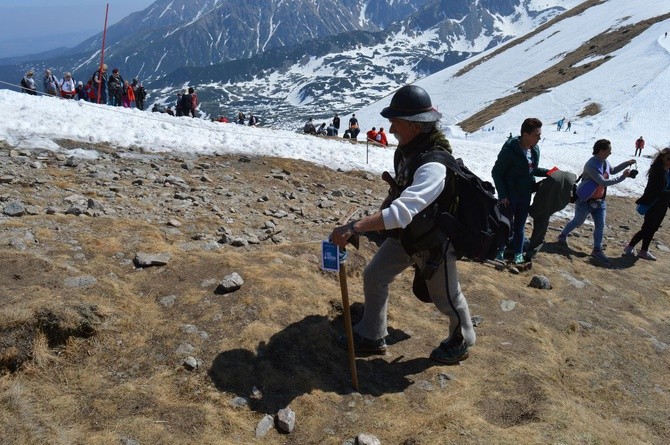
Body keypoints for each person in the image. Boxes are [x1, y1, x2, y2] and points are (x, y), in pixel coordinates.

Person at [330, 85, 476, 364]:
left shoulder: (434, 165)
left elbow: (402, 213)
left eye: (396, 121)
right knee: (375, 275)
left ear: (415, 126)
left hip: (433, 242)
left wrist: (355, 227)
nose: (391, 127)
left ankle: (462, 339)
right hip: (407, 236)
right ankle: (372, 335)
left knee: (446, 298)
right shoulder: (409, 150)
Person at [557, 139, 635, 265]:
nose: (611, 152)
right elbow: (602, 182)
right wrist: (622, 178)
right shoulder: (591, 164)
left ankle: (597, 249)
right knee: (578, 221)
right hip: (585, 200)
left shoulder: (604, 162)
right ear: (601, 150)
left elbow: (612, 170)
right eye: (609, 150)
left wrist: (627, 163)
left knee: (600, 225)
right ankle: (562, 235)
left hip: (600, 201)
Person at [491, 118, 548, 264]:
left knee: (520, 226)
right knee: (506, 225)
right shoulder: (509, 150)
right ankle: (500, 251)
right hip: (509, 195)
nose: (539, 138)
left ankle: (518, 253)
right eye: (537, 134)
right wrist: (503, 194)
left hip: (525, 194)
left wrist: (550, 172)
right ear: (525, 135)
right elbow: (497, 172)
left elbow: (532, 170)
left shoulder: (534, 150)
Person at [623, 148, 670, 260]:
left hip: (663, 204)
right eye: (669, 158)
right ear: (662, 157)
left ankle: (644, 250)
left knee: (653, 228)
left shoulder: (668, 171)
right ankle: (630, 246)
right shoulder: (657, 171)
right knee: (647, 228)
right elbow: (656, 189)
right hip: (653, 203)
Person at [525, 169, 577, 261]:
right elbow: (573, 198)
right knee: (541, 226)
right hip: (547, 203)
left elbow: (535, 184)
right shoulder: (567, 182)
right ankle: (530, 252)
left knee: (539, 223)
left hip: (542, 201)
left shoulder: (551, 176)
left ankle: (528, 251)